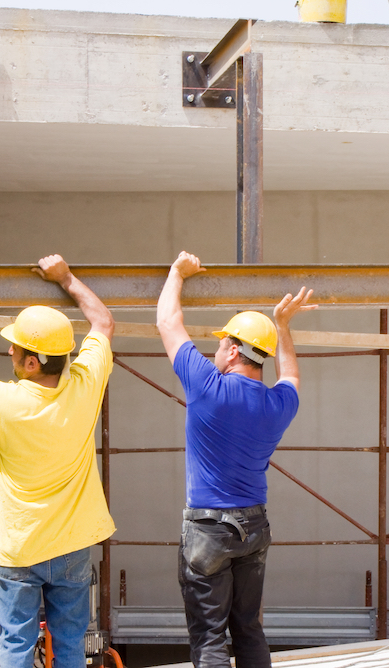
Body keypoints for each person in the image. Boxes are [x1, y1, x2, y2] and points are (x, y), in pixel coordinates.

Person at [0, 254, 115, 668]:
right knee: (69, 646)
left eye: (15, 347)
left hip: (19, 547)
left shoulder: (4, 402)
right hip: (71, 544)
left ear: (32, 363)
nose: (10, 349)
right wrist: (67, 277)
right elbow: (103, 322)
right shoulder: (84, 388)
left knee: (17, 643)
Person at [155, 250, 315, 668]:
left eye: (219, 345)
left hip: (208, 528)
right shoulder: (279, 405)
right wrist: (282, 327)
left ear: (230, 351)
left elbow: (168, 322)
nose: (214, 352)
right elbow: (292, 376)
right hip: (254, 527)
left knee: (209, 639)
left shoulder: (209, 388)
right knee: (248, 629)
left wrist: (177, 273)